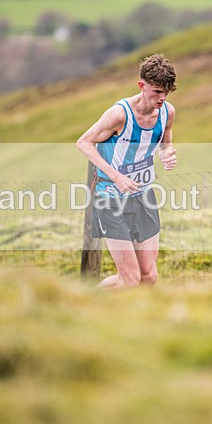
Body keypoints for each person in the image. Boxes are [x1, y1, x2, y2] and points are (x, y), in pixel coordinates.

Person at [76, 53, 178, 289]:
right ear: (141, 86)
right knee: (130, 280)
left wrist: (167, 154)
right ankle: (87, 303)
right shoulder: (119, 114)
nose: (162, 98)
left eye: (166, 92)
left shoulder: (167, 112)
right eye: (156, 91)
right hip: (111, 199)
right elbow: (83, 142)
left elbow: (166, 143)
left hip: (144, 197)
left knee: (149, 277)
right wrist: (116, 176)